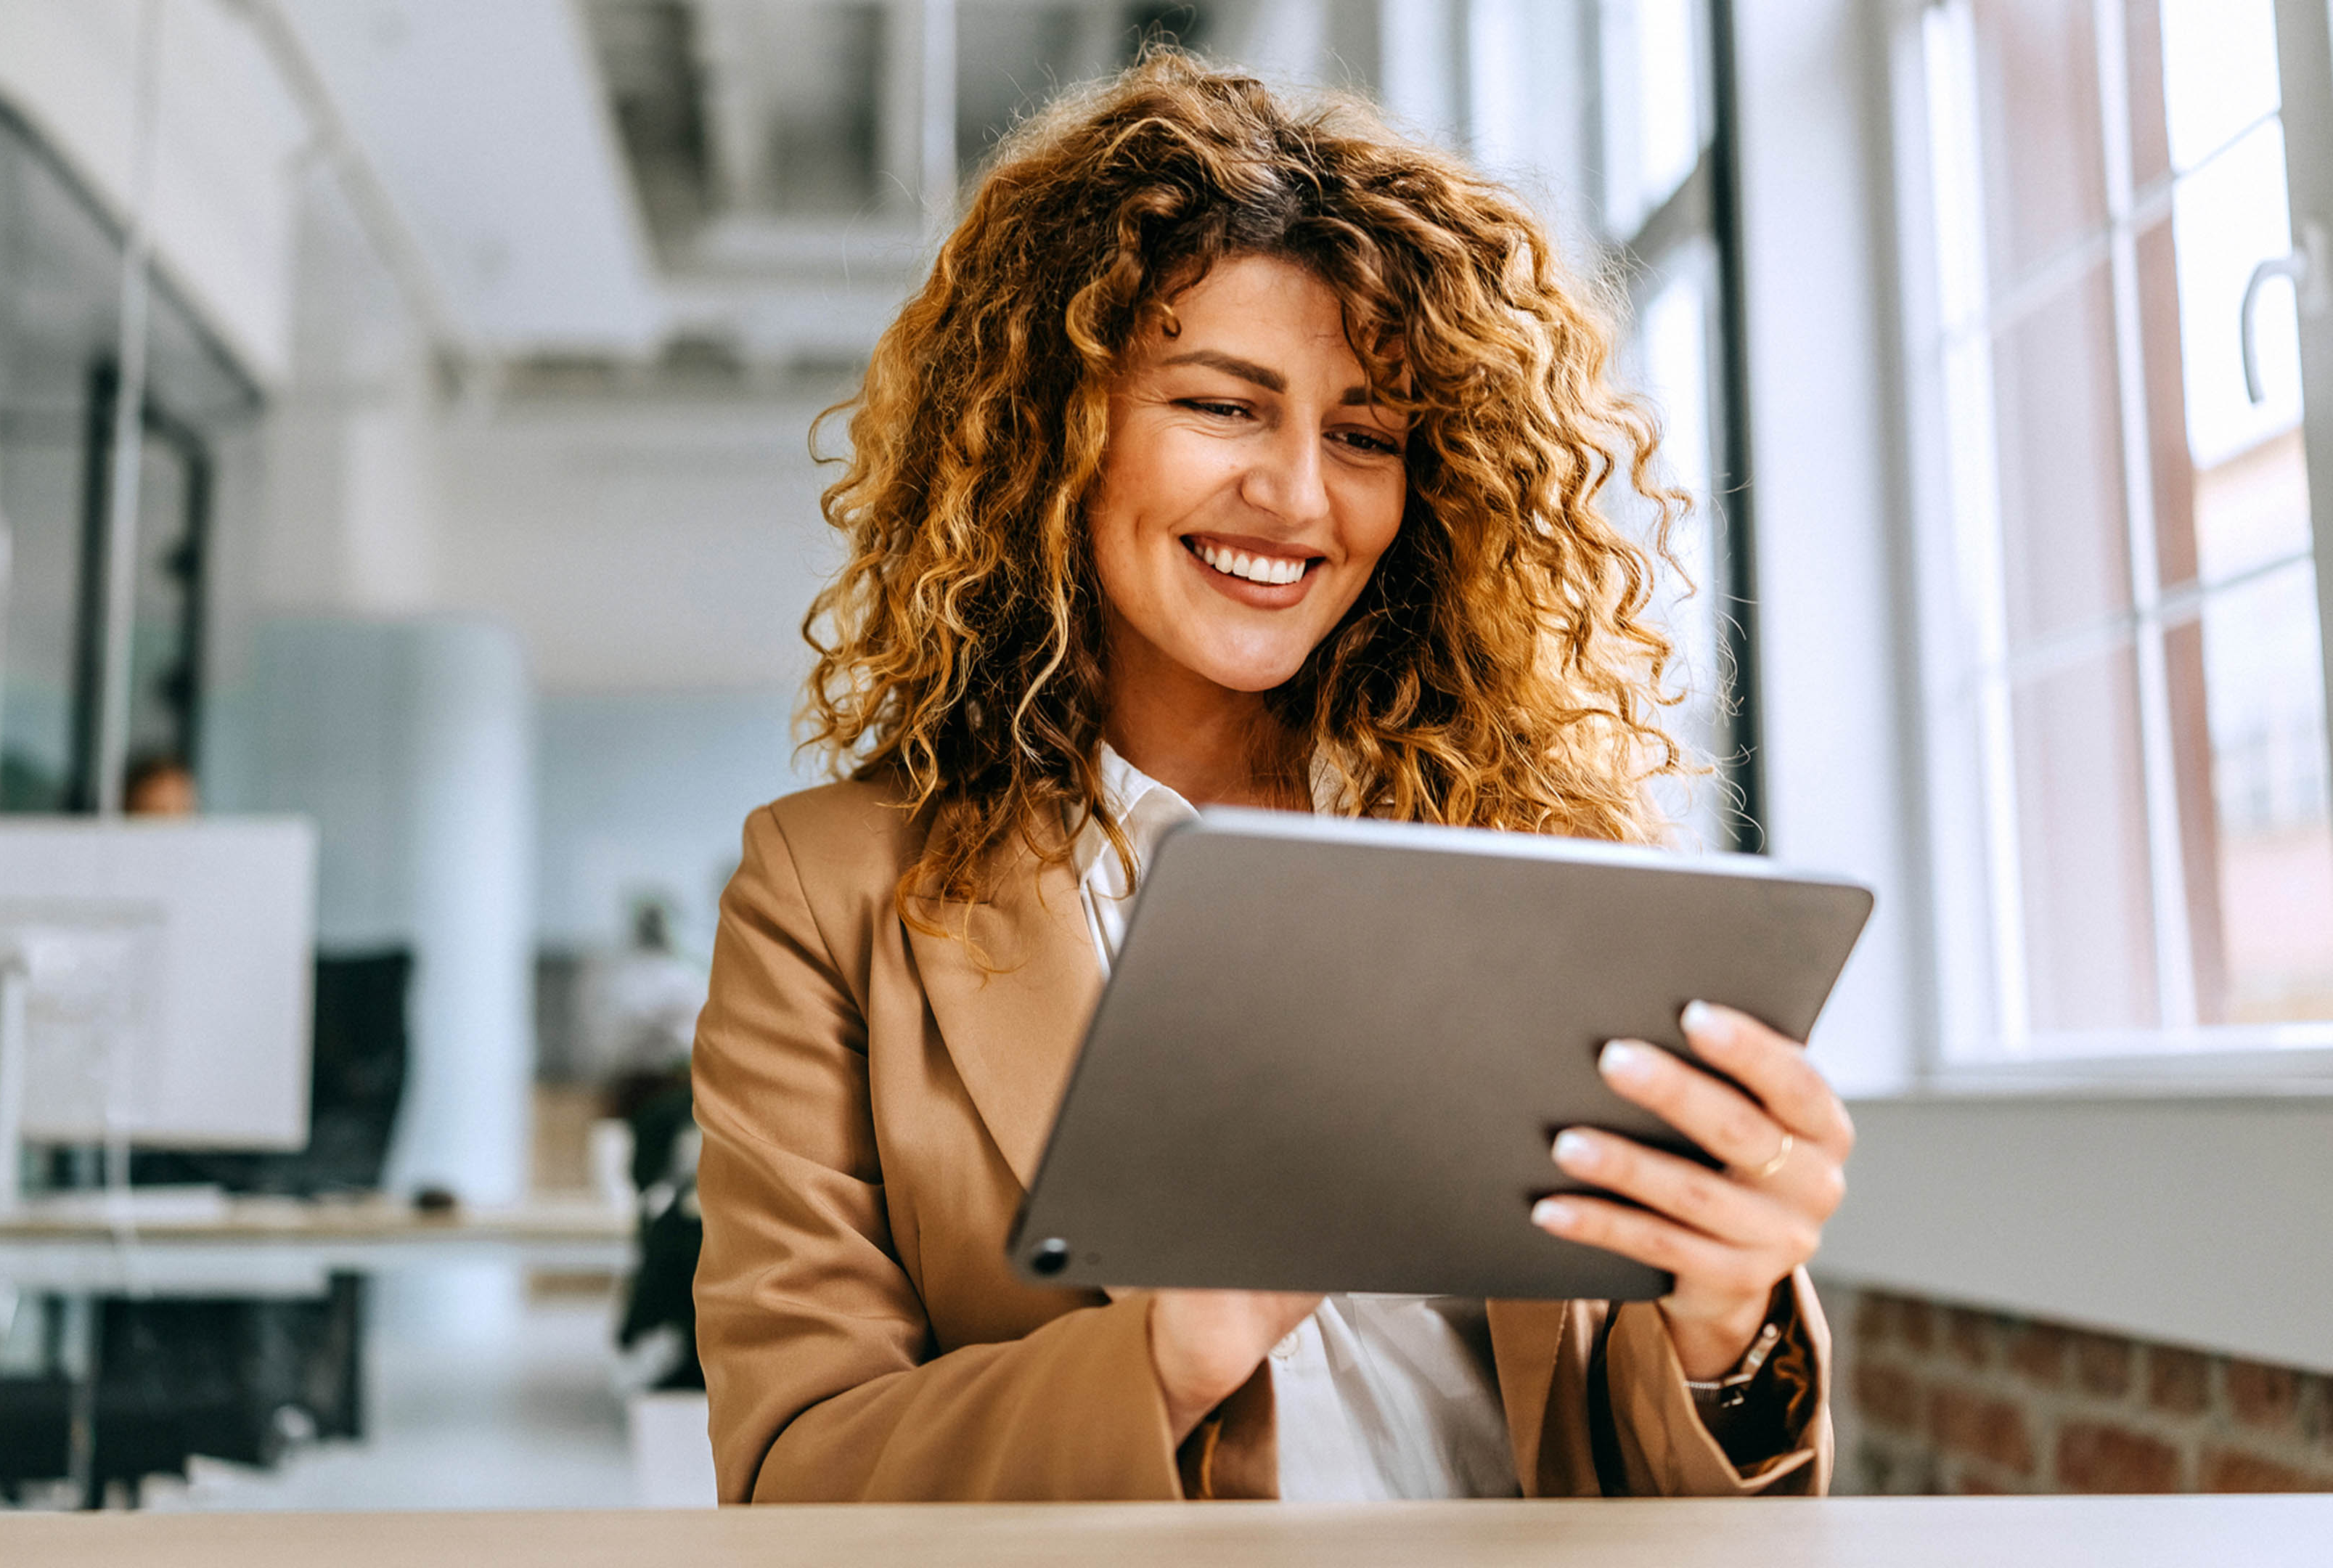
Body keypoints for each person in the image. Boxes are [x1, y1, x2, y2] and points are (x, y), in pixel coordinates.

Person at [688, 52, 1853, 1504]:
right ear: (1058, 427)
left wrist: (1724, 1322)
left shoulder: (1531, 854)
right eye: (1224, 407)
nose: (1299, 496)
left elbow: (1632, 1462)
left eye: (1364, 436)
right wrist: (1169, 1355)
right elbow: (797, 1474)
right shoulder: (828, 892)